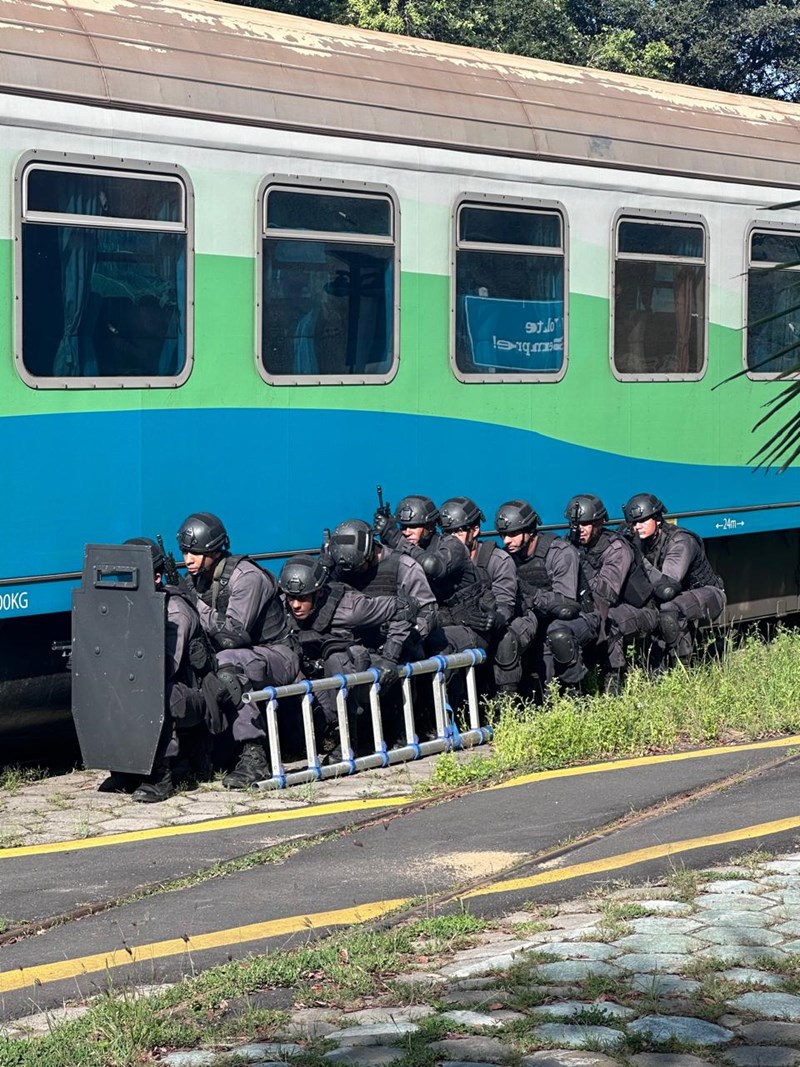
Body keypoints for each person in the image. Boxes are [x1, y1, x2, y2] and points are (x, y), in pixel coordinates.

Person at [176, 512, 298, 789]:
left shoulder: (246, 577)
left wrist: (192, 602)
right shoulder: (197, 579)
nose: (188, 560)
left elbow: (231, 635)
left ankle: (254, 757)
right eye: (185, 552)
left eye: (195, 552)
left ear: (215, 550)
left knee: (226, 665)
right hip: (243, 655)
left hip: (276, 654)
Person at [278, 555, 417, 759]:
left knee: (337, 658)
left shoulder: (350, 608)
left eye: (303, 598)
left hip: (353, 672)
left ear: (317, 594)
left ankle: (347, 739)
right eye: (291, 598)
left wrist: (390, 655)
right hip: (313, 673)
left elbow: (406, 607)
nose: (295, 605)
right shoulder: (283, 607)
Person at [111, 538, 211, 803]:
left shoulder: (174, 610)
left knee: (153, 692)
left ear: (155, 578)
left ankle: (159, 775)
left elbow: (165, 666)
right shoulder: (129, 606)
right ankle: (125, 768)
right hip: (153, 683)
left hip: (189, 696)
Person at [547, 495, 659, 694]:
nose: (579, 529)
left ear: (598, 523)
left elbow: (603, 598)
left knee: (608, 622)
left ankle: (612, 683)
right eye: (575, 523)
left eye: (585, 524)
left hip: (638, 610)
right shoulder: (569, 545)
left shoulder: (616, 548)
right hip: (592, 606)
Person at [373, 495, 493, 659]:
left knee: (436, 644)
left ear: (430, 526)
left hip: (469, 627)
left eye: (413, 527)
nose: (406, 532)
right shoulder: (406, 550)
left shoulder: (452, 546)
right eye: (402, 527)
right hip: (435, 624)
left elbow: (433, 566)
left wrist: (397, 539)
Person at [622, 493, 726, 666]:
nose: (637, 527)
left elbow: (666, 588)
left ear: (657, 519)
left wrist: (638, 558)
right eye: (633, 523)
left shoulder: (681, 540)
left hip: (708, 594)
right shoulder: (641, 540)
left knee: (669, 610)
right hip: (679, 597)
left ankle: (684, 666)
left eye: (642, 521)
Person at [494, 499, 581, 695]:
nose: (507, 540)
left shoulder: (559, 552)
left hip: (576, 617)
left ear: (530, 530)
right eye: (503, 535)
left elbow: (565, 605)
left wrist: (528, 592)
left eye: (513, 534)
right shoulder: (506, 557)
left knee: (558, 635)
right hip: (536, 618)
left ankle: (575, 696)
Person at [439, 497, 519, 694]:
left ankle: (506, 703)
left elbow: (505, 604)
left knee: (505, 638)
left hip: (498, 621)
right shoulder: (444, 564)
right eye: (447, 532)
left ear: (474, 530)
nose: (452, 538)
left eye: (458, 531)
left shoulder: (497, 560)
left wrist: (496, 616)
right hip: (463, 624)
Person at [328, 518, 437, 663]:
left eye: (360, 566)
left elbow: (428, 611)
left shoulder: (403, 566)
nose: (358, 572)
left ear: (370, 552)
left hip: (399, 653)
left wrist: (408, 638)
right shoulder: (344, 570)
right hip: (358, 650)